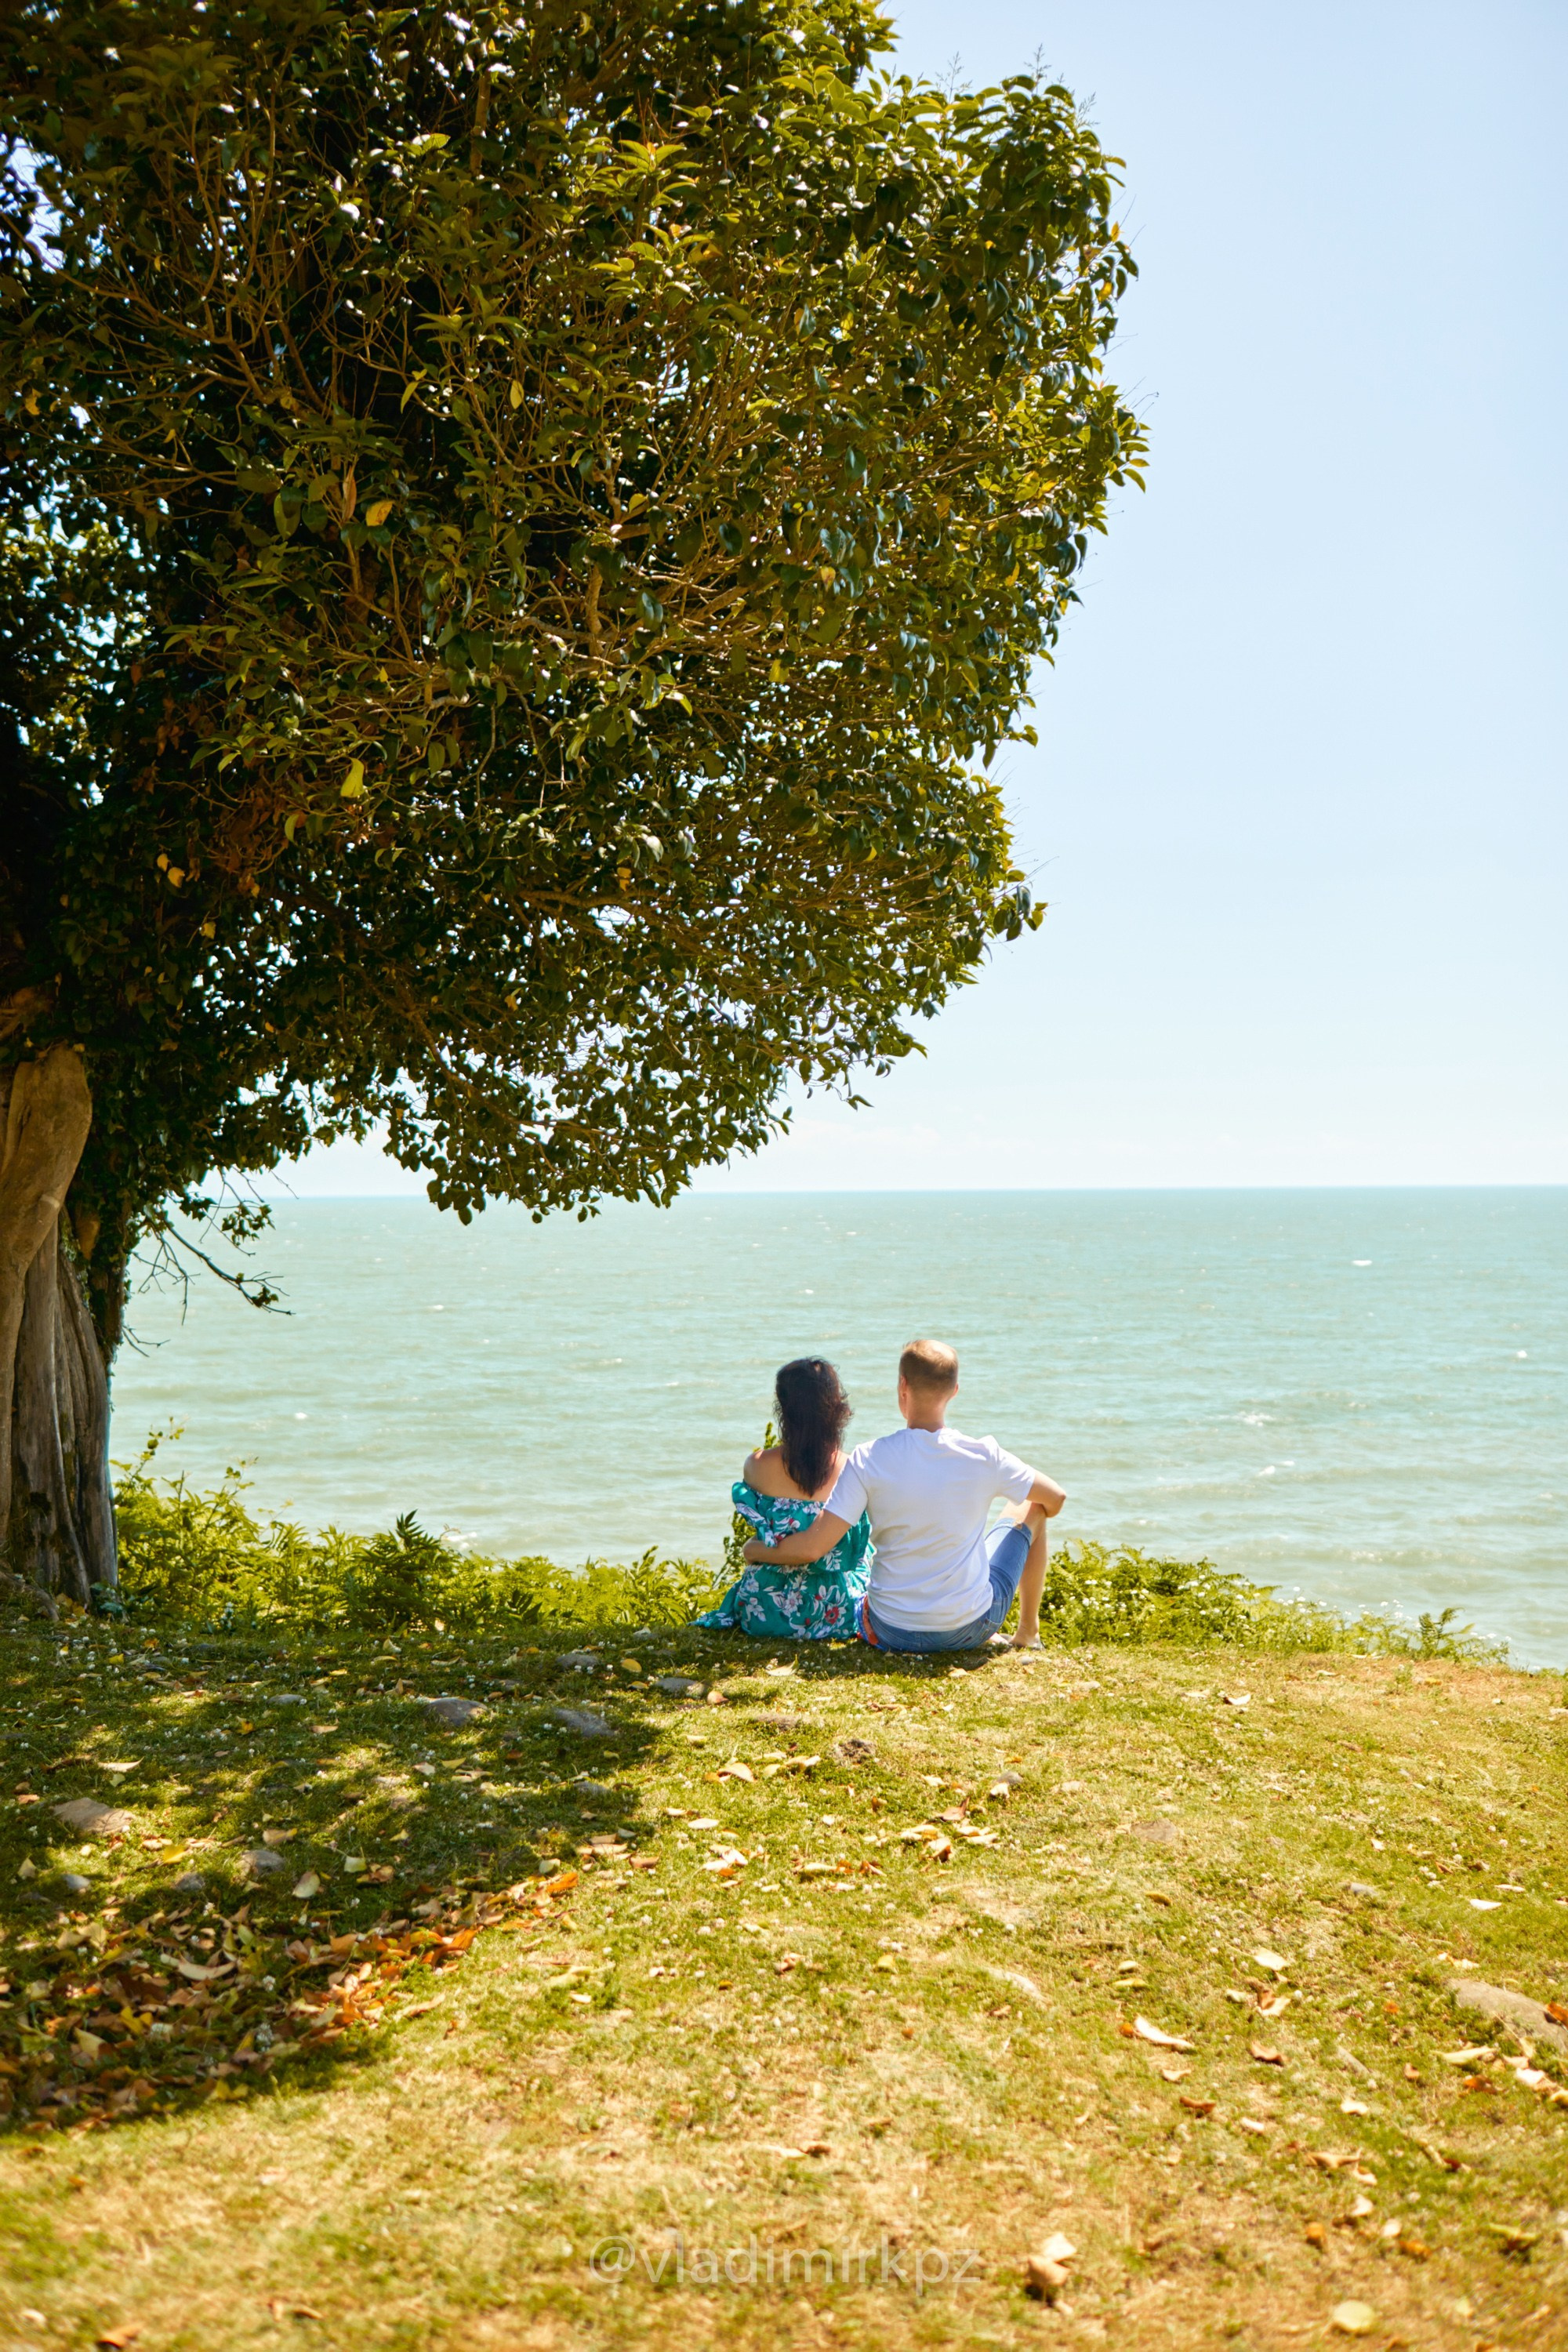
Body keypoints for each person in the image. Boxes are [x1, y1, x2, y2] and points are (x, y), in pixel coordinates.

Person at [739, 1338, 1064, 1652]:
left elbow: (813, 1547)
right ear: (954, 1391)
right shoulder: (983, 1455)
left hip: (889, 1628)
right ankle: (1027, 1633)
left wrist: (753, 1549)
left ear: (902, 1386)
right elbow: (1056, 1497)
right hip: (970, 1627)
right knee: (1032, 1504)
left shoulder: (868, 1459)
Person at [695, 1356, 873, 1641]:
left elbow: (777, 1540)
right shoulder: (852, 1468)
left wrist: (752, 1550)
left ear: (783, 1410)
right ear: (836, 1408)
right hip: (835, 1610)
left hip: (764, 1610)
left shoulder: (757, 1466)